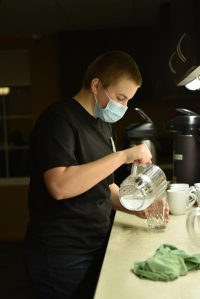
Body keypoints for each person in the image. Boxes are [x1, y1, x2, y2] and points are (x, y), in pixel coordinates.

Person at [24, 50, 169, 299]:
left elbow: (105, 186)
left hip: (95, 244)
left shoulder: (103, 125)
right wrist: (123, 156)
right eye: (120, 98)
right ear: (96, 85)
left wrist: (135, 207)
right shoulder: (58, 119)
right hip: (61, 255)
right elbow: (60, 186)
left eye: (127, 101)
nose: (123, 107)